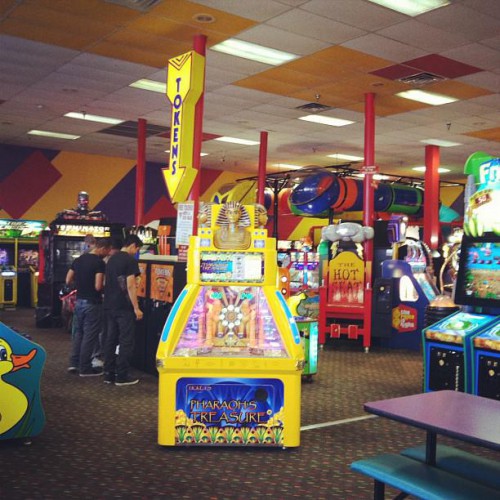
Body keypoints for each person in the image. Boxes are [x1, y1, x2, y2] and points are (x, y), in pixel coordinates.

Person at [66, 238, 112, 376]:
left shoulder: (78, 260)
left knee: (79, 333)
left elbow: (68, 279)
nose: (107, 254)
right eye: (107, 251)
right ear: (102, 248)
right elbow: (98, 286)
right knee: (90, 335)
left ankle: (74, 363)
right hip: (93, 303)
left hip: (79, 301)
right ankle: (85, 368)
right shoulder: (99, 263)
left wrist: (80, 285)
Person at [102, 234, 143, 386]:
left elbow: (106, 281)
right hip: (124, 307)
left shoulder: (112, 258)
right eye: (137, 249)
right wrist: (136, 308)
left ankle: (108, 374)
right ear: (132, 245)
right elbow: (130, 285)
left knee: (110, 339)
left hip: (109, 304)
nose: (136, 252)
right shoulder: (130, 260)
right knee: (126, 341)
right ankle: (121, 376)